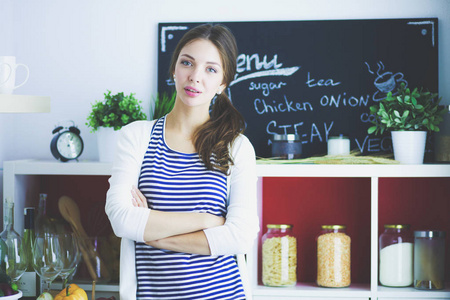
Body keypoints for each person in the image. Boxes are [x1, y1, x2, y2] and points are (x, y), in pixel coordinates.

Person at [105, 23, 259, 300]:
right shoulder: (136, 138)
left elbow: (240, 236)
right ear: (174, 69)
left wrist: (154, 234)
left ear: (223, 83)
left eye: (211, 69)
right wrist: (207, 220)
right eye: (187, 63)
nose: (195, 77)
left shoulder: (237, 147)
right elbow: (122, 219)